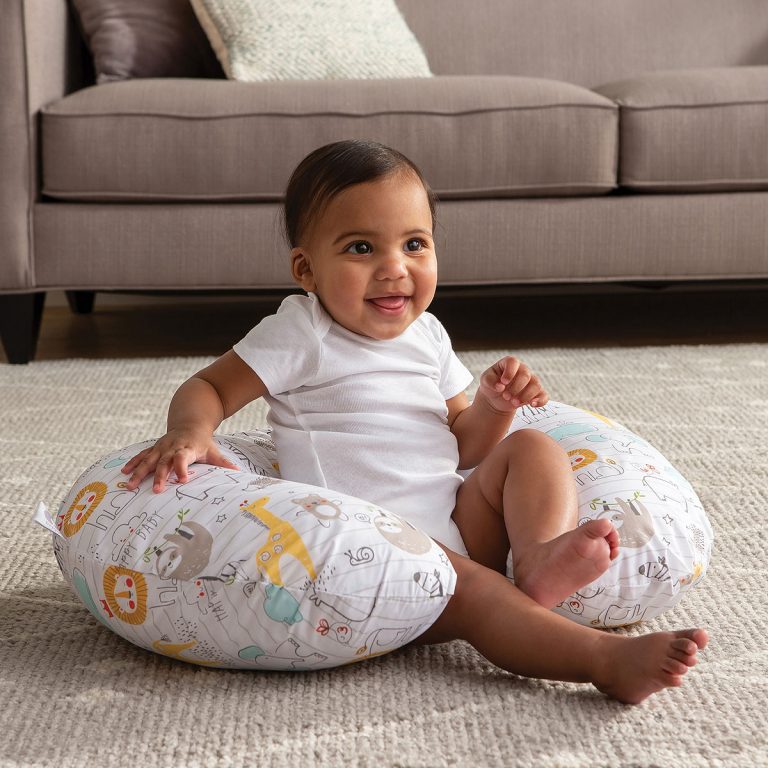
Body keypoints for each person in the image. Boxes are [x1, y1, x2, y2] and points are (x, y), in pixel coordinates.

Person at [122, 139, 708, 704]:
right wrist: (192, 431)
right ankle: (602, 662)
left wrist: (494, 407)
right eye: (360, 248)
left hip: (457, 518)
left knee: (529, 446)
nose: (394, 269)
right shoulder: (302, 332)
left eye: (414, 245)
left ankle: (535, 557)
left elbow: (464, 447)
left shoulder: (427, 334)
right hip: (379, 549)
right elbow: (210, 386)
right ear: (306, 268)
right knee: (481, 596)